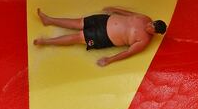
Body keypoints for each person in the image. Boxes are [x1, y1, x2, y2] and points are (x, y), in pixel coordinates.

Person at [34, 8, 167, 67]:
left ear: (154, 32)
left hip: (104, 37)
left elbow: (128, 53)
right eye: (152, 23)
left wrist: (109, 60)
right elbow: (130, 14)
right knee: (77, 22)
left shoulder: (144, 41)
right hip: (104, 20)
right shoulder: (145, 18)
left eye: (152, 28)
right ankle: (49, 20)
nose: (149, 25)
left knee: (78, 37)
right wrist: (115, 9)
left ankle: (45, 41)